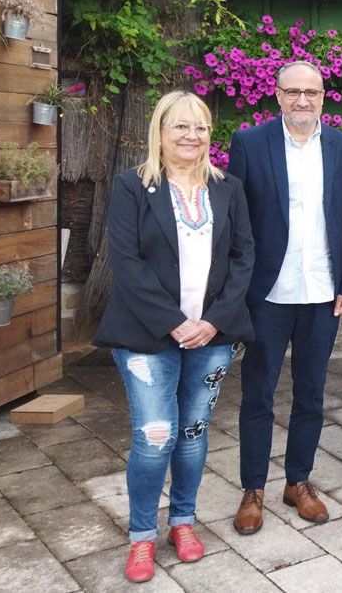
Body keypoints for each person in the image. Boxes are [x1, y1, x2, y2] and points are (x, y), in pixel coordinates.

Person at [94, 91, 254, 583]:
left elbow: (244, 258)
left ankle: (182, 521)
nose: (191, 136)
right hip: (148, 336)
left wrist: (213, 321)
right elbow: (126, 262)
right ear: (160, 132)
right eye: (180, 127)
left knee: (191, 434)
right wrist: (174, 322)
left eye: (200, 127)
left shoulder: (228, 188)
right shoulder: (131, 186)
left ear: (210, 134)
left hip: (212, 337)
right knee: (153, 436)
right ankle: (142, 535)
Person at [226, 60, 342, 533]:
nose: (302, 100)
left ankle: (298, 481)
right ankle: (253, 488)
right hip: (268, 292)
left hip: (323, 293)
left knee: (310, 393)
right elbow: (236, 223)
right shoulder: (249, 144)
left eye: (311, 92)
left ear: (324, 96)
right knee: (258, 393)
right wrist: (238, 290)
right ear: (278, 95)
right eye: (293, 92)